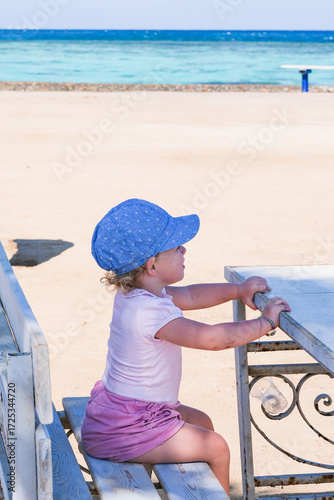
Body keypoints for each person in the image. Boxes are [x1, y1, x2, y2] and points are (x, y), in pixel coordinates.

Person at [81, 198, 290, 494]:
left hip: (125, 413)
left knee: (203, 423)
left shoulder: (139, 296)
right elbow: (212, 339)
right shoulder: (149, 313)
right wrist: (265, 324)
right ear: (152, 265)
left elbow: (191, 296)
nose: (184, 249)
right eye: (176, 246)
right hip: (128, 428)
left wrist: (237, 290)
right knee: (216, 448)